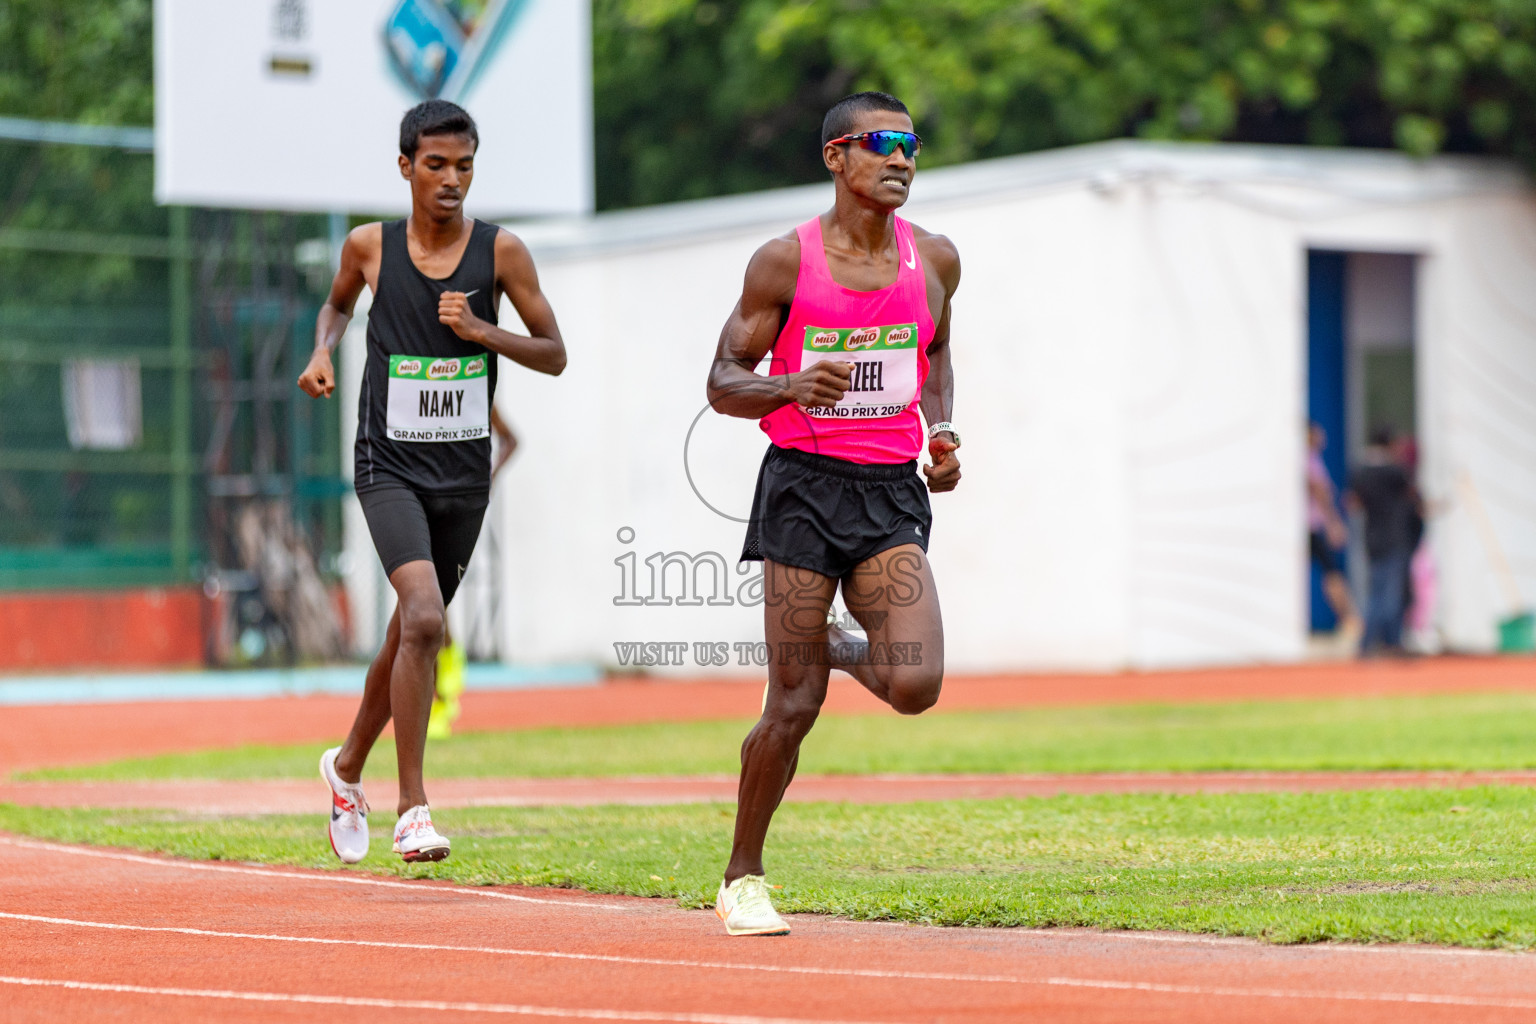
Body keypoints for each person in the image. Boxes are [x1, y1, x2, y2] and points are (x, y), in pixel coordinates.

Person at [704, 91, 962, 936]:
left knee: (916, 684)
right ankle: (744, 876)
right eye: (882, 144)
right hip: (803, 489)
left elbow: (937, 349)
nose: (902, 161)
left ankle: (844, 645)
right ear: (836, 157)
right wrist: (786, 385)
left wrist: (944, 431)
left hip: (889, 491)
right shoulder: (784, 262)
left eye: (912, 146)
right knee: (794, 703)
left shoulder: (936, 260)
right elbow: (720, 381)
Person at [297, 99, 566, 864]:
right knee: (423, 618)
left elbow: (554, 352)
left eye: (465, 166)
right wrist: (323, 353)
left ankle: (346, 767)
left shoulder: (502, 254)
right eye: (437, 165)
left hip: (462, 472)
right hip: (388, 462)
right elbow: (335, 307)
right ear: (407, 166)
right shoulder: (369, 246)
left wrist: (482, 331)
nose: (452, 180)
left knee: (408, 631)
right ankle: (413, 807)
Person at [427, 407, 518, 740]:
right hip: (417, 500)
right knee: (426, 602)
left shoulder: (475, 389)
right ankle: (447, 662)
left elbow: (511, 441)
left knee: (432, 601)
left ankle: (441, 694)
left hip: (458, 505)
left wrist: (483, 482)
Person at [1347, 426, 1418, 656]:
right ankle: (1392, 642)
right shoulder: (1395, 471)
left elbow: (1352, 503)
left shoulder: (1361, 470)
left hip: (1372, 537)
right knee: (1391, 595)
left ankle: (1368, 644)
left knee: (1376, 592)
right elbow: (1414, 498)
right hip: (1394, 537)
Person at [1305, 423, 1361, 644]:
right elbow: (1320, 492)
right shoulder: (1308, 459)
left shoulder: (1311, 458)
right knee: (1332, 572)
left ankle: (1349, 619)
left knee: (1330, 572)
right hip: (1312, 525)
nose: (1322, 435)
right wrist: (1333, 522)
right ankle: (1349, 619)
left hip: (1312, 524)